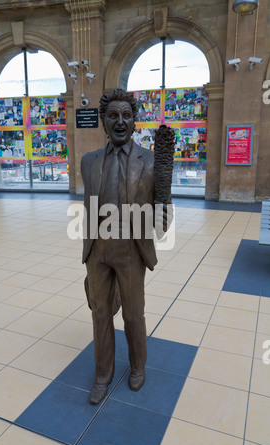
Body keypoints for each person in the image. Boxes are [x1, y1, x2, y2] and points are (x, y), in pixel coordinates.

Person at [81, 89, 172, 405]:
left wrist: (161, 212)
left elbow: (163, 214)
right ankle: (102, 375)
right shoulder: (89, 162)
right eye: (113, 116)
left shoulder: (150, 161)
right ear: (103, 122)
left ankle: (137, 367)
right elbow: (87, 207)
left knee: (133, 315)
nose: (120, 122)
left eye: (126, 116)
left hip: (131, 250)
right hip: (97, 251)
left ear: (135, 121)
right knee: (100, 313)